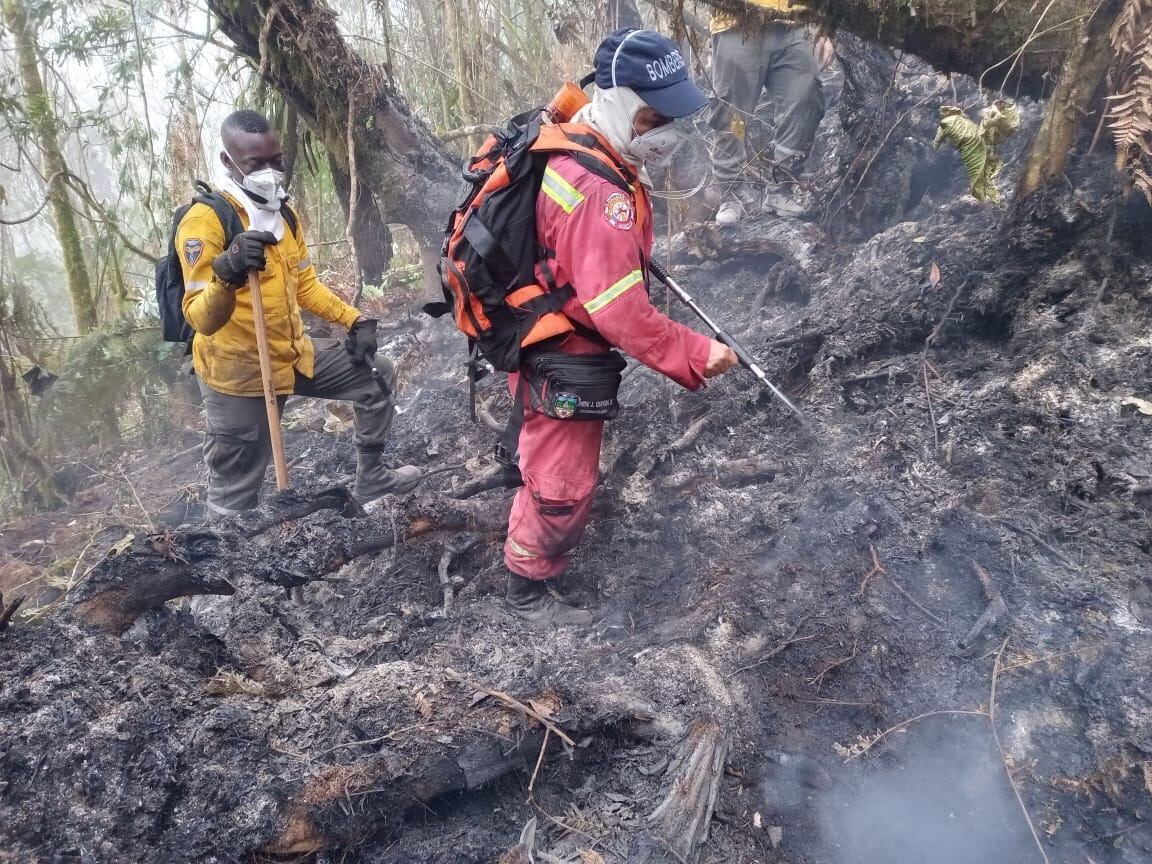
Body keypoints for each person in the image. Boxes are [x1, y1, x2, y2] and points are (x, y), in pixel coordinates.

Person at [504, 28, 739, 625]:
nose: (666, 131)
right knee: (563, 480)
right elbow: (620, 314)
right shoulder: (595, 190)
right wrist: (692, 352)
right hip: (563, 346)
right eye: (654, 117)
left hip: (542, 323)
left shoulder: (586, 140)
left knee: (548, 456)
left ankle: (531, 546)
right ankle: (527, 588)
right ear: (620, 103)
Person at [177, 109, 420, 519]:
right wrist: (227, 271)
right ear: (228, 162)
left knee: (375, 375)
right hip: (239, 373)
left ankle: (373, 478)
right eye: (257, 164)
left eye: (276, 160)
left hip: (291, 356)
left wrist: (355, 320)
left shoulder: (285, 214)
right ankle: (224, 562)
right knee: (235, 492)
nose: (270, 172)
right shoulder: (205, 220)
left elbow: (305, 285)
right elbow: (201, 319)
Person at [709, 0, 832, 224]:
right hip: (736, 20)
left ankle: (781, 188)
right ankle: (731, 194)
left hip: (797, 22)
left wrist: (825, 27)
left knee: (806, 101)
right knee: (730, 112)